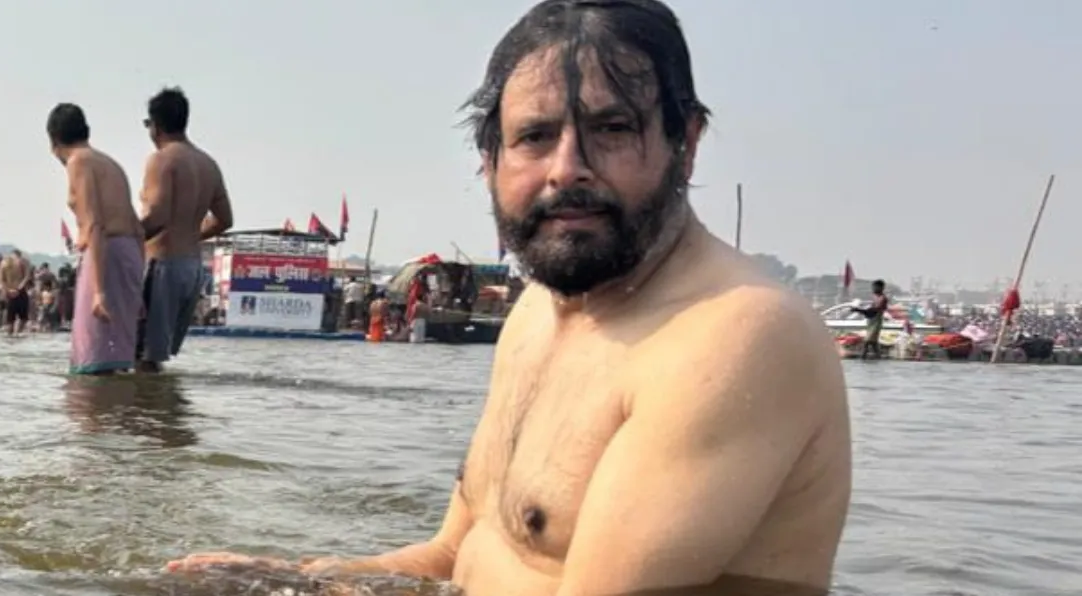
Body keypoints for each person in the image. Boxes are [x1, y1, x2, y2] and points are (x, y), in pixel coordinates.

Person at [167, 1, 851, 594]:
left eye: (613, 130)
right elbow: (450, 557)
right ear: (488, 160)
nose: (568, 169)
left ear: (686, 142)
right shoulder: (538, 313)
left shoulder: (737, 336)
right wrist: (299, 578)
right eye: (535, 136)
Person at [135, 87, 234, 374]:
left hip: (161, 265)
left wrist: (122, 240)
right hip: (191, 268)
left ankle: (149, 417)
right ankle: (166, 417)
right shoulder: (208, 164)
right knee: (156, 356)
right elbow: (225, 219)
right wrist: (191, 234)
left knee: (141, 356)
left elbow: (158, 216)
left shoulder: (162, 159)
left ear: (156, 126)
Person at [47, 103, 146, 375]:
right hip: (129, 255)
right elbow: (138, 229)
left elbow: (94, 224)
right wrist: (137, 286)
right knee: (116, 359)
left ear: (53, 141)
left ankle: (91, 417)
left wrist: (99, 292)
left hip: (105, 256)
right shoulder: (110, 163)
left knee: (90, 365)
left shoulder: (78, 162)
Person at [850, 279, 889, 360]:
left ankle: (863, 358)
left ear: (881, 288)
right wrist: (860, 310)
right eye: (873, 287)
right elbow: (871, 310)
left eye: (875, 287)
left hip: (876, 321)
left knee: (867, 341)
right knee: (873, 343)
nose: (873, 289)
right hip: (871, 320)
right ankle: (878, 359)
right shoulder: (874, 296)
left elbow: (874, 310)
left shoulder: (883, 298)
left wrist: (858, 310)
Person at [0, 249, 32, 336]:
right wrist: (18, 289)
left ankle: (10, 336)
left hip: (8, 292)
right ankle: (18, 334)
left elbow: (1, 280)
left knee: (10, 319)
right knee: (23, 318)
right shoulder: (23, 261)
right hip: (20, 291)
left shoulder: (3, 263)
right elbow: (27, 276)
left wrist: (8, 290)